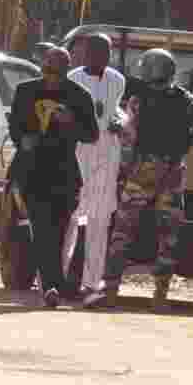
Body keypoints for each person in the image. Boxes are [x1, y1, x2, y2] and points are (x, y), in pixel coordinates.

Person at [83, 48, 193, 310]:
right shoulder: (187, 100)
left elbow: (128, 135)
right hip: (174, 171)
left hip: (143, 170)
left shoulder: (139, 99)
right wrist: (182, 143)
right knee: (169, 236)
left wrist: (117, 128)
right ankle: (160, 296)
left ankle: (109, 290)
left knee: (123, 231)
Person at [9, 46, 99, 307]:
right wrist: (23, 139)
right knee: (41, 228)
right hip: (32, 170)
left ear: (66, 71)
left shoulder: (78, 95)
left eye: (58, 72)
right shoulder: (25, 91)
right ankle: (51, 286)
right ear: (41, 68)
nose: (52, 76)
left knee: (58, 232)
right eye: (48, 70)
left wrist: (71, 121)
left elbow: (91, 134)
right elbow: (15, 127)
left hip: (64, 173)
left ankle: (53, 282)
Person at [66, 33, 126, 297]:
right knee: (69, 218)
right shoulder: (72, 79)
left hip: (107, 155)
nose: (100, 56)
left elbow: (117, 111)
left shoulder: (117, 80)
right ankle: (53, 277)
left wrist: (121, 122)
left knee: (99, 221)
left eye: (105, 51)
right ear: (85, 52)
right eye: (95, 51)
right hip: (78, 154)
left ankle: (91, 283)